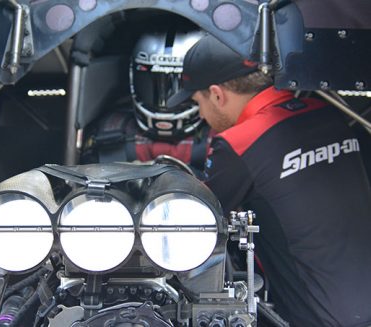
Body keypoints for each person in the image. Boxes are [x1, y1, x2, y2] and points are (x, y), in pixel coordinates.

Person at [167, 34, 371, 326]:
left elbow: (193, 223)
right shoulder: (331, 114)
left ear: (216, 94)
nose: (201, 113)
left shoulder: (240, 144)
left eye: (198, 102)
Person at [81, 29, 214, 176]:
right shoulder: (106, 133)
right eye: (153, 85)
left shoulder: (220, 137)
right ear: (133, 79)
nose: (165, 102)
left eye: (179, 85)